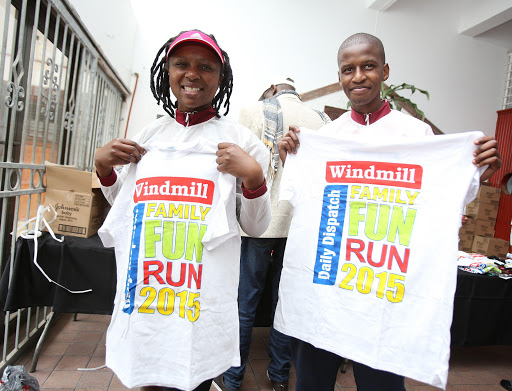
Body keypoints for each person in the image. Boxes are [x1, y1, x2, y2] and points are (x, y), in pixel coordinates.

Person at [277, 33, 502, 391]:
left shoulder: (416, 134)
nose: (358, 76)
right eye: (348, 69)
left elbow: (442, 195)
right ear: (340, 78)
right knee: (311, 381)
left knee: (380, 384)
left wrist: (477, 170)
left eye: (368, 66)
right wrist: (294, 160)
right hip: (327, 291)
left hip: (381, 292)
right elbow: (303, 198)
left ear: (385, 70)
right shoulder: (327, 137)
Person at [94, 29, 271, 391]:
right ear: (168, 73)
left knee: (194, 378)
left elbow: (255, 227)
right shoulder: (147, 138)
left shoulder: (240, 142)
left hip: (199, 299)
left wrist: (253, 177)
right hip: (146, 293)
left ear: (220, 79)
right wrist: (104, 170)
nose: (192, 74)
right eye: (181, 64)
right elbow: (128, 209)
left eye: (205, 67)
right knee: (147, 376)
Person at [215, 78, 330, 391]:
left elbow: (231, 166)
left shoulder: (252, 111)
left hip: (259, 224)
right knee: (284, 303)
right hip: (301, 227)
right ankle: (279, 375)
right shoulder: (322, 119)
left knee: (245, 304)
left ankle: (233, 377)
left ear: (272, 89)